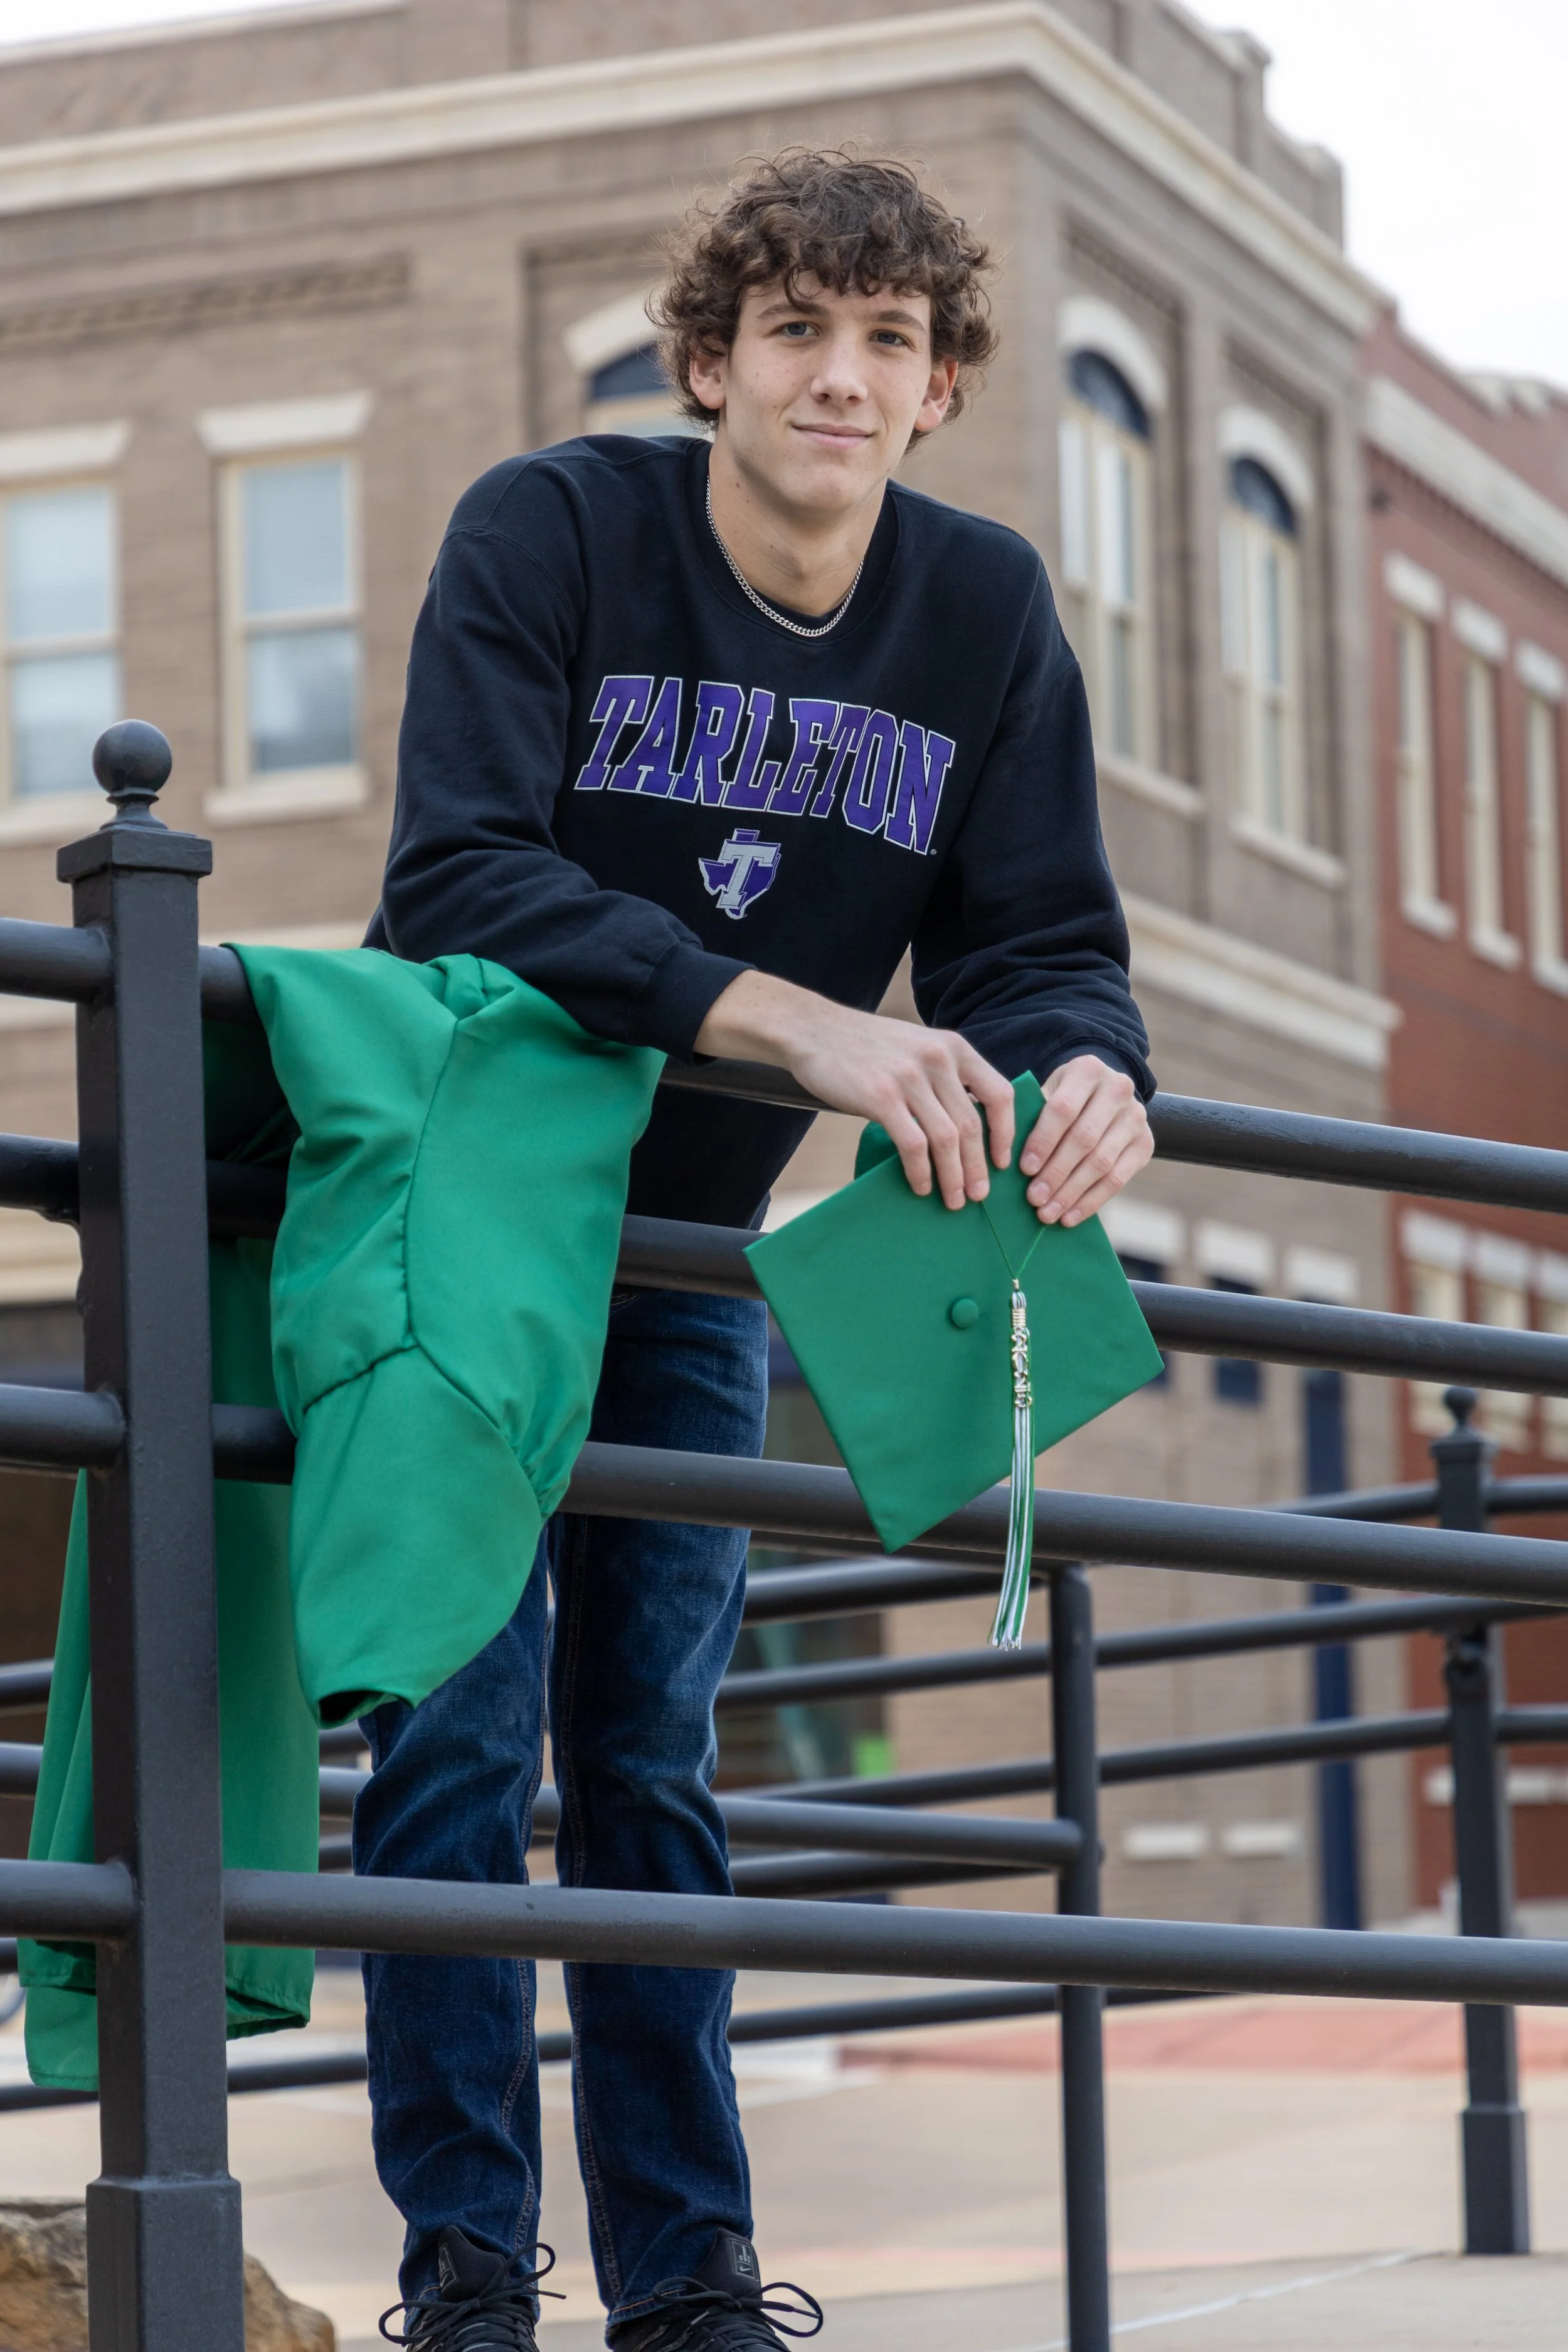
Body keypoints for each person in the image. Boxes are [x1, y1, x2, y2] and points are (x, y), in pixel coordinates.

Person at [359, 149, 1155, 2352]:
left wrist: (1091, 1065)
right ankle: (464, 2274)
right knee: (450, 1741)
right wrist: (793, 1012)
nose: (840, 373)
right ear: (705, 362)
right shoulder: (552, 529)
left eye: (886, 341)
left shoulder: (981, 608)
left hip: (697, 1258)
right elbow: (456, 880)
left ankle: (689, 2282)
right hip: (467, 1220)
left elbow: (1041, 938)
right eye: (794, 329)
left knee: (653, 1766)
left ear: (937, 389)